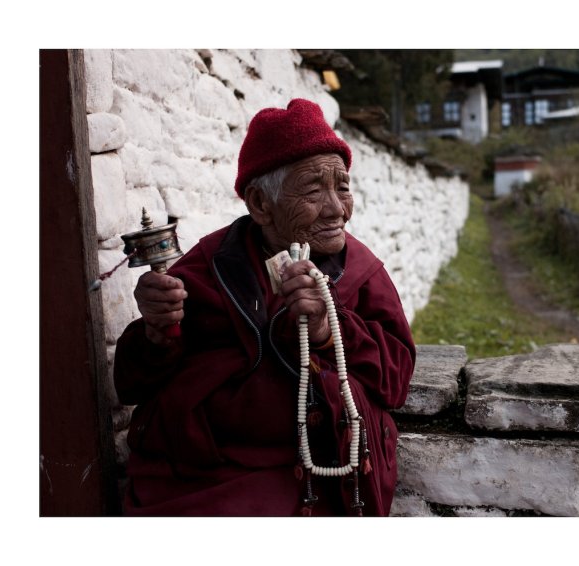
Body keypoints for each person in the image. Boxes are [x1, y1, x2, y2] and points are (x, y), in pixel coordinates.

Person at [113, 98, 416, 516]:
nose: (336, 208)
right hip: (205, 475)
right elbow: (132, 385)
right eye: (313, 189)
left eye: (342, 186)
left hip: (319, 474)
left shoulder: (361, 272)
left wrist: (330, 330)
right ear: (260, 204)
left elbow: (397, 379)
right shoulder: (208, 267)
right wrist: (154, 330)